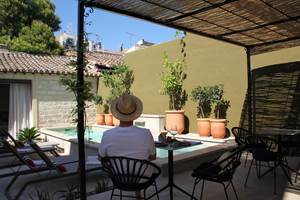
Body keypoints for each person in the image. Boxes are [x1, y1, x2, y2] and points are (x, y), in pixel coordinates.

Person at [98, 93, 156, 161]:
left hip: (116, 171)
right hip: (141, 171)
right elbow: (153, 157)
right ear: (135, 113)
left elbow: (101, 157)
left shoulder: (107, 134)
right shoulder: (146, 134)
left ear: (117, 113)